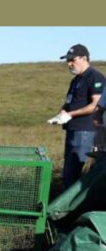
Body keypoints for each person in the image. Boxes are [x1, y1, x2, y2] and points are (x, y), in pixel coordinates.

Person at [47, 44, 103, 189]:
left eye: (72, 60)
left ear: (84, 58)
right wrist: (60, 114)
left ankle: (70, 208)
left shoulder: (95, 77)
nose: (69, 64)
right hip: (72, 130)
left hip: (86, 131)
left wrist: (70, 114)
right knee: (68, 172)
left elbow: (95, 105)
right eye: (67, 60)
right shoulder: (76, 80)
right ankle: (65, 206)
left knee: (74, 172)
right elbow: (70, 102)